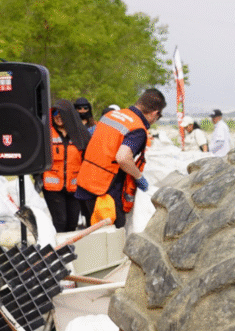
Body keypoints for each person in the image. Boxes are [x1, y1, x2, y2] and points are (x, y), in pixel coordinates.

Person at [75, 89, 166, 228]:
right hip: (105, 192)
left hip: (85, 183)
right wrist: (138, 177)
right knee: (111, 238)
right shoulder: (137, 129)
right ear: (155, 113)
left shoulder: (111, 115)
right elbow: (123, 157)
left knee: (91, 236)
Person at [42, 99, 91, 232]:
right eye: (55, 113)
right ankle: (57, 251)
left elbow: (89, 160)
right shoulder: (46, 134)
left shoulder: (81, 135)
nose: (58, 117)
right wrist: (37, 178)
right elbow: (37, 156)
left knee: (72, 224)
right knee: (60, 221)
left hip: (75, 188)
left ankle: (68, 250)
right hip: (53, 188)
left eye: (62, 114)